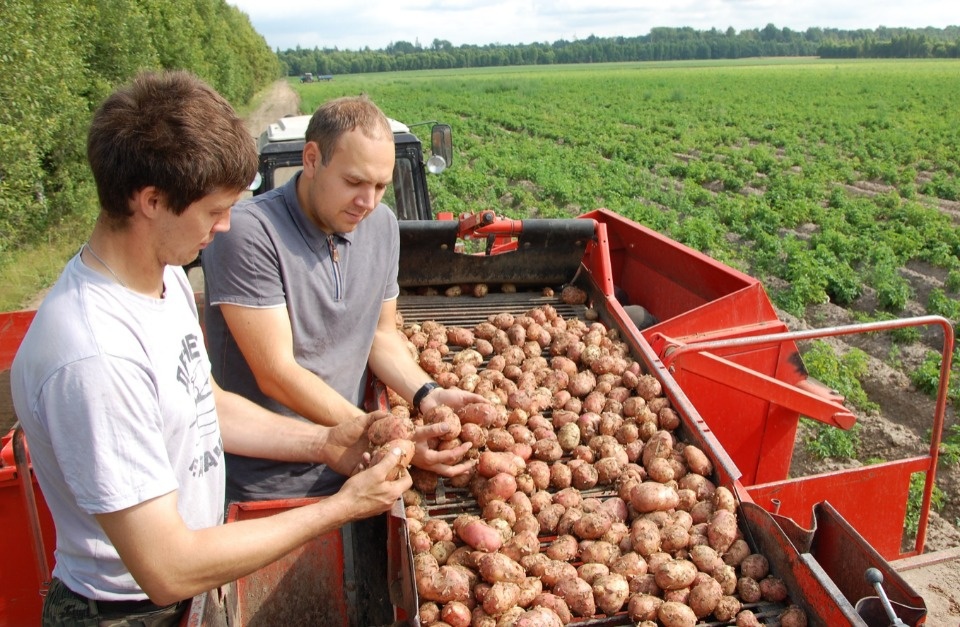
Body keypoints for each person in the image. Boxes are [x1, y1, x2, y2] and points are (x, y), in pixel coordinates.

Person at [10, 70, 424, 627]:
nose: (228, 226)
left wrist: (327, 442)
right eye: (213, 210)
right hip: (127, 612)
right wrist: (339, 509)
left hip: (188, 585)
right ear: (151, 201)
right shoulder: (95, 354)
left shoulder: (164, 279)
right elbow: (167, 567)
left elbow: (209, 405)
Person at [202, 94, 485, 503]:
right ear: (313, 159)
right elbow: (276, 371)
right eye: (354, 182)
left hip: (357, 466)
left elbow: (381, 335)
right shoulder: (250, 232)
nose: (367, 202)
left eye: (380, 186)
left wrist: (427, 394)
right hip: (269, 486)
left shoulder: (382, 225)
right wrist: (392, 438)